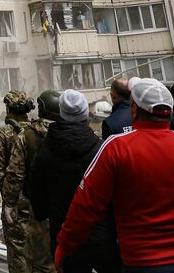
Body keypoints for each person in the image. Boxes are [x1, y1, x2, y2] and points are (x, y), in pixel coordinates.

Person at [57, 77, 174, 273]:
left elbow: (86, 205)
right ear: (170, 112)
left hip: (143, 263)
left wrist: (65, 246)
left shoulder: (116, 149)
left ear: (134, 109)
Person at [26, 90, 119, 273]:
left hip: (63, 236)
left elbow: (34, 189)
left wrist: (43, 212)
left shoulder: (46, 149)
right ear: (86, 114)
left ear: (61, 114)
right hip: (99, 234)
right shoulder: (100, 148)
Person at [3, 90, 59, 273]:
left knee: (41, 259)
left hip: (38, 206)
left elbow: (15, 173)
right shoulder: (70, 131)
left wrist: (9, 203)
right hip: (67, 203)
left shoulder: (27, 135)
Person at [0, 90, 33, 273]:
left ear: (8, 109)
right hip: (39, 200)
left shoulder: (3, 134)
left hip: (15, 201)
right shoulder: (37, 131)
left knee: (17, 250)